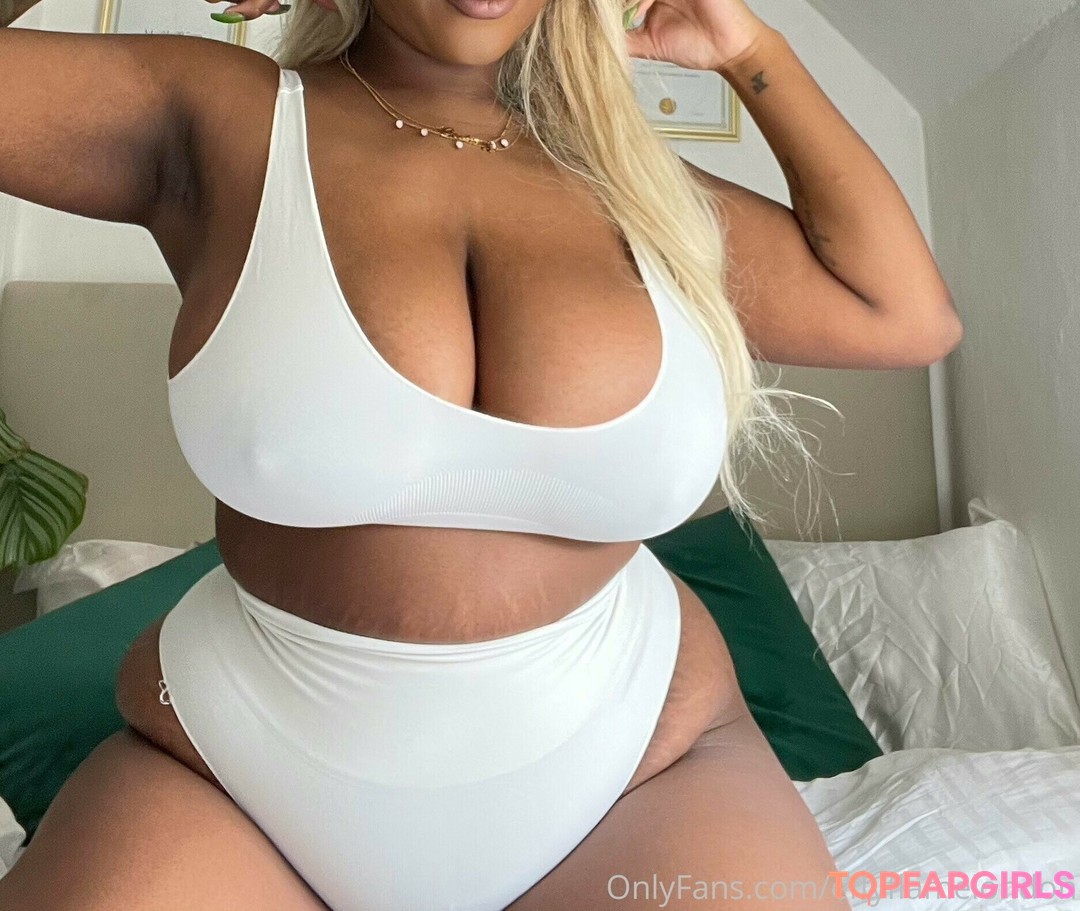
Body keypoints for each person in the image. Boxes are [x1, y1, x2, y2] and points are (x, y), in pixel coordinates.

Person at [0, 0, 961, 907]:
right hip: (239, 770)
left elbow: (903, 315)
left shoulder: (640, 191)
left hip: (636, 769)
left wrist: (749, 51)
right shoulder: (222, 119)